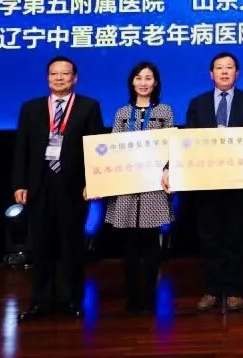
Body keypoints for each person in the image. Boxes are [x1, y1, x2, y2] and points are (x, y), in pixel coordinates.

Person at [12, 55, 104, 321]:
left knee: (71, 246)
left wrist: (93, 182)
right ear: (47, 78)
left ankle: (71, 300)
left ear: (75, 78)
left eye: (65, 74)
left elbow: (96, 148)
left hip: (73, 187)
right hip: (39, 186)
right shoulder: (30, 108)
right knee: (41, 246)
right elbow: (21, 148)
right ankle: (41, 301)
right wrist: (19, 183)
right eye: (54, 74)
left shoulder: (89, 106)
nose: (59, 78)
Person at [180, 52, 243, 313]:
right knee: (210, 237)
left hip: (238, 180)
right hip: (207, 181)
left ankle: (235, 290)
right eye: (219, 68)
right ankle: (212, 290)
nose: (224, 72)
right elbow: (188, 141)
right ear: (211, 74)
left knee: (237, 236)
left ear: (237, 73)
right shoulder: (198, 103)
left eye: (229, 68)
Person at [104, 61, 175, 313]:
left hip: (153, 186)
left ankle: (150, 296)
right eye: (139, 78)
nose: (143, 82)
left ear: (155, 83)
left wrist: (167, 169)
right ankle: (133, 298)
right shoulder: (122, 113)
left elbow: (170, 146)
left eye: (148, 78)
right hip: (127, 185)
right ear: (132, 82)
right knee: (130, 246)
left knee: (152, 245)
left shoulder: (164, 111)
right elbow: (112, 148)